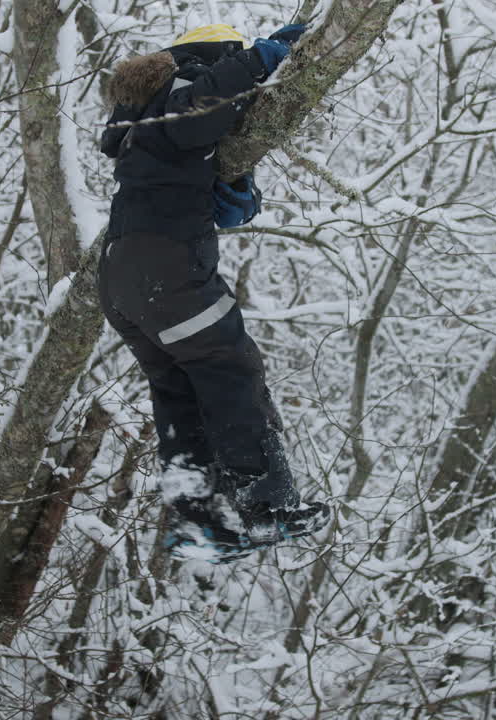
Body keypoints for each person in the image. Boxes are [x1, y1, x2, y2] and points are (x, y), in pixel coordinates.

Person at [97, 23, 329, 563]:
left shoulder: (143, 125)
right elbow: (205, 100)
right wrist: (266, 55)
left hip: (123, 283)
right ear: (209, 59)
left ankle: (195, 521)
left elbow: (225, 203)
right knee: (230, 372)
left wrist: (234, 184)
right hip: (167, 270)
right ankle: (265, 508)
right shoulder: (179, 91)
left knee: (178, 388)